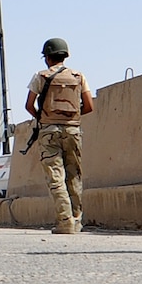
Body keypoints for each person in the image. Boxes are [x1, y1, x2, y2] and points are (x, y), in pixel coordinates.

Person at [24, 38, 95, 234]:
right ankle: (76, 221)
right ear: (65, 55)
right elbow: (89, 106)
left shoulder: (40, 76)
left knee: (56, 177)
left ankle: (65, 222)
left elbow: (29, 105)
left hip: (49, 132)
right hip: (73, 131)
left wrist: (44, 118)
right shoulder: (78, 76)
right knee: (74, 177)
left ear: (47, 57)